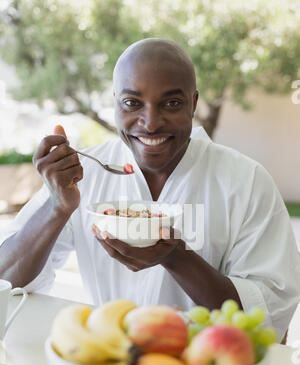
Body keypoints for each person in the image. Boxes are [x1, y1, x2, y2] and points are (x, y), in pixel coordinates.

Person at [0, 38, 299, 342]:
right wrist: (57, 208)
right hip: (107, 361)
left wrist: (176, 258)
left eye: (171, 103)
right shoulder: (84, 175)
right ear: (115, 102)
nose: (151, 122)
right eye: (132, 103)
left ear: (193, 104)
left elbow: (268, 318)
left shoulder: (245, 182)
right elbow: (5, 280)